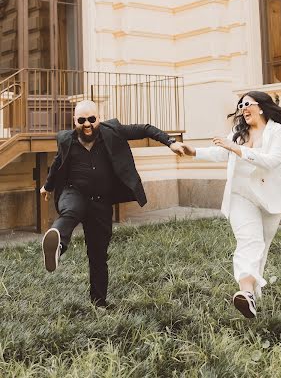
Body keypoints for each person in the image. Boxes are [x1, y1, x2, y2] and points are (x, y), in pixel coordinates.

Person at [40, 99, 185, 308]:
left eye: (92, 119)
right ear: (74, 121)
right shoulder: (66, 140)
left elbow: (145, 129)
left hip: (101, 201)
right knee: (70, 211)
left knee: (98, 253)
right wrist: (48, 185)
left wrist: (170, 142)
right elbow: (57, 163)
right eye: (82, 120)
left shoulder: (113, 130)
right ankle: (56, 247)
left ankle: (99, 302)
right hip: (75, 192)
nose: (87, 124)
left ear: (99, 118)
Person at [182, 91, 281, 319]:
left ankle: (253, 295)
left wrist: (236, 149)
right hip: (240, 196)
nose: (243, 108)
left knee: (261, 247)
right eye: (240, 105)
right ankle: (246, 292)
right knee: (248, 242)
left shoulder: (278, 132)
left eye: (247, 104)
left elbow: (272, 161)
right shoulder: (238, 133)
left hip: (269, 199)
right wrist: (194, 151)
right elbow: (220, 152)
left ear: (261, 107)